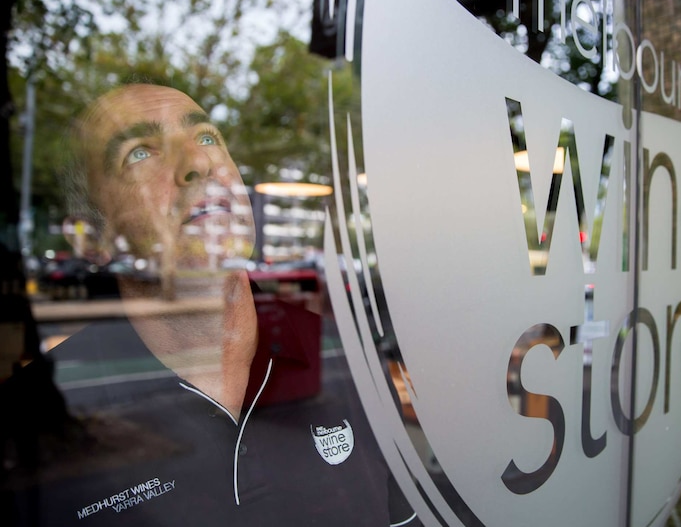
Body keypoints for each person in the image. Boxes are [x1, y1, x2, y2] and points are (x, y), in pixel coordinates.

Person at [3, 84, 417, 526]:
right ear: (91, 239)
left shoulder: (347, 361)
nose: (198, 162)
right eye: (140, 153)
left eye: (206, 138)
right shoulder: (35, 417)